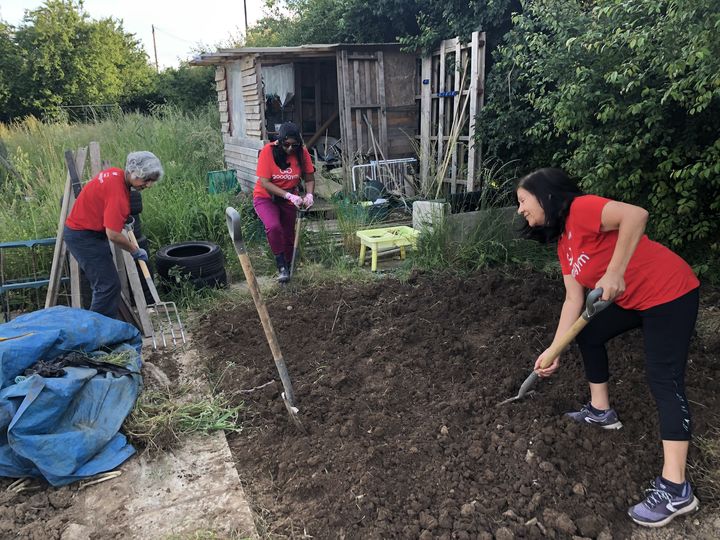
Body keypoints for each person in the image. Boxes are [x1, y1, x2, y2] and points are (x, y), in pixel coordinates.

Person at [516, 168, 700, 528]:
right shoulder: (564, 243)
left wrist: (615, 272)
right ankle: (601, 412)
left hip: (671, 292)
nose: (520, 210)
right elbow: (574, 300)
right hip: (636, 300)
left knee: (664, 379)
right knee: (588, 333)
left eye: (522, 201)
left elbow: (636, 214)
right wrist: (553, 349)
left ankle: (677, 489)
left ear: (545, 195)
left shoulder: (582, 210)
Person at [64, 151, 163, 319]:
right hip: (83, 236)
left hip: (87, 231)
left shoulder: (115, 173)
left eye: (151, 181)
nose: (148, 185)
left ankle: (104, 328)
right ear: (134, 172)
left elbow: (102, 201)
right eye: (146, 180)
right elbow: (113, 235)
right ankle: (97, 334)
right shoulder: (119, 197)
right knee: (107, 286)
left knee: (108, 285)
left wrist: (120, 218)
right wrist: (134, 250)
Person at [253, 122, 315, 283]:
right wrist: (289, 196)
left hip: (289, 198)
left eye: (294, 146)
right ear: (280, 141)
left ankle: (289, 267)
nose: (289, 149)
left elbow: (309, 178)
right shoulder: (268, 151)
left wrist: (309, 194)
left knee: (289, 233)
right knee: (274, 227)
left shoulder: (301, 153)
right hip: (266, 197)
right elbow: (265, 182)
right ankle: (281, 265)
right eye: (286, 145)